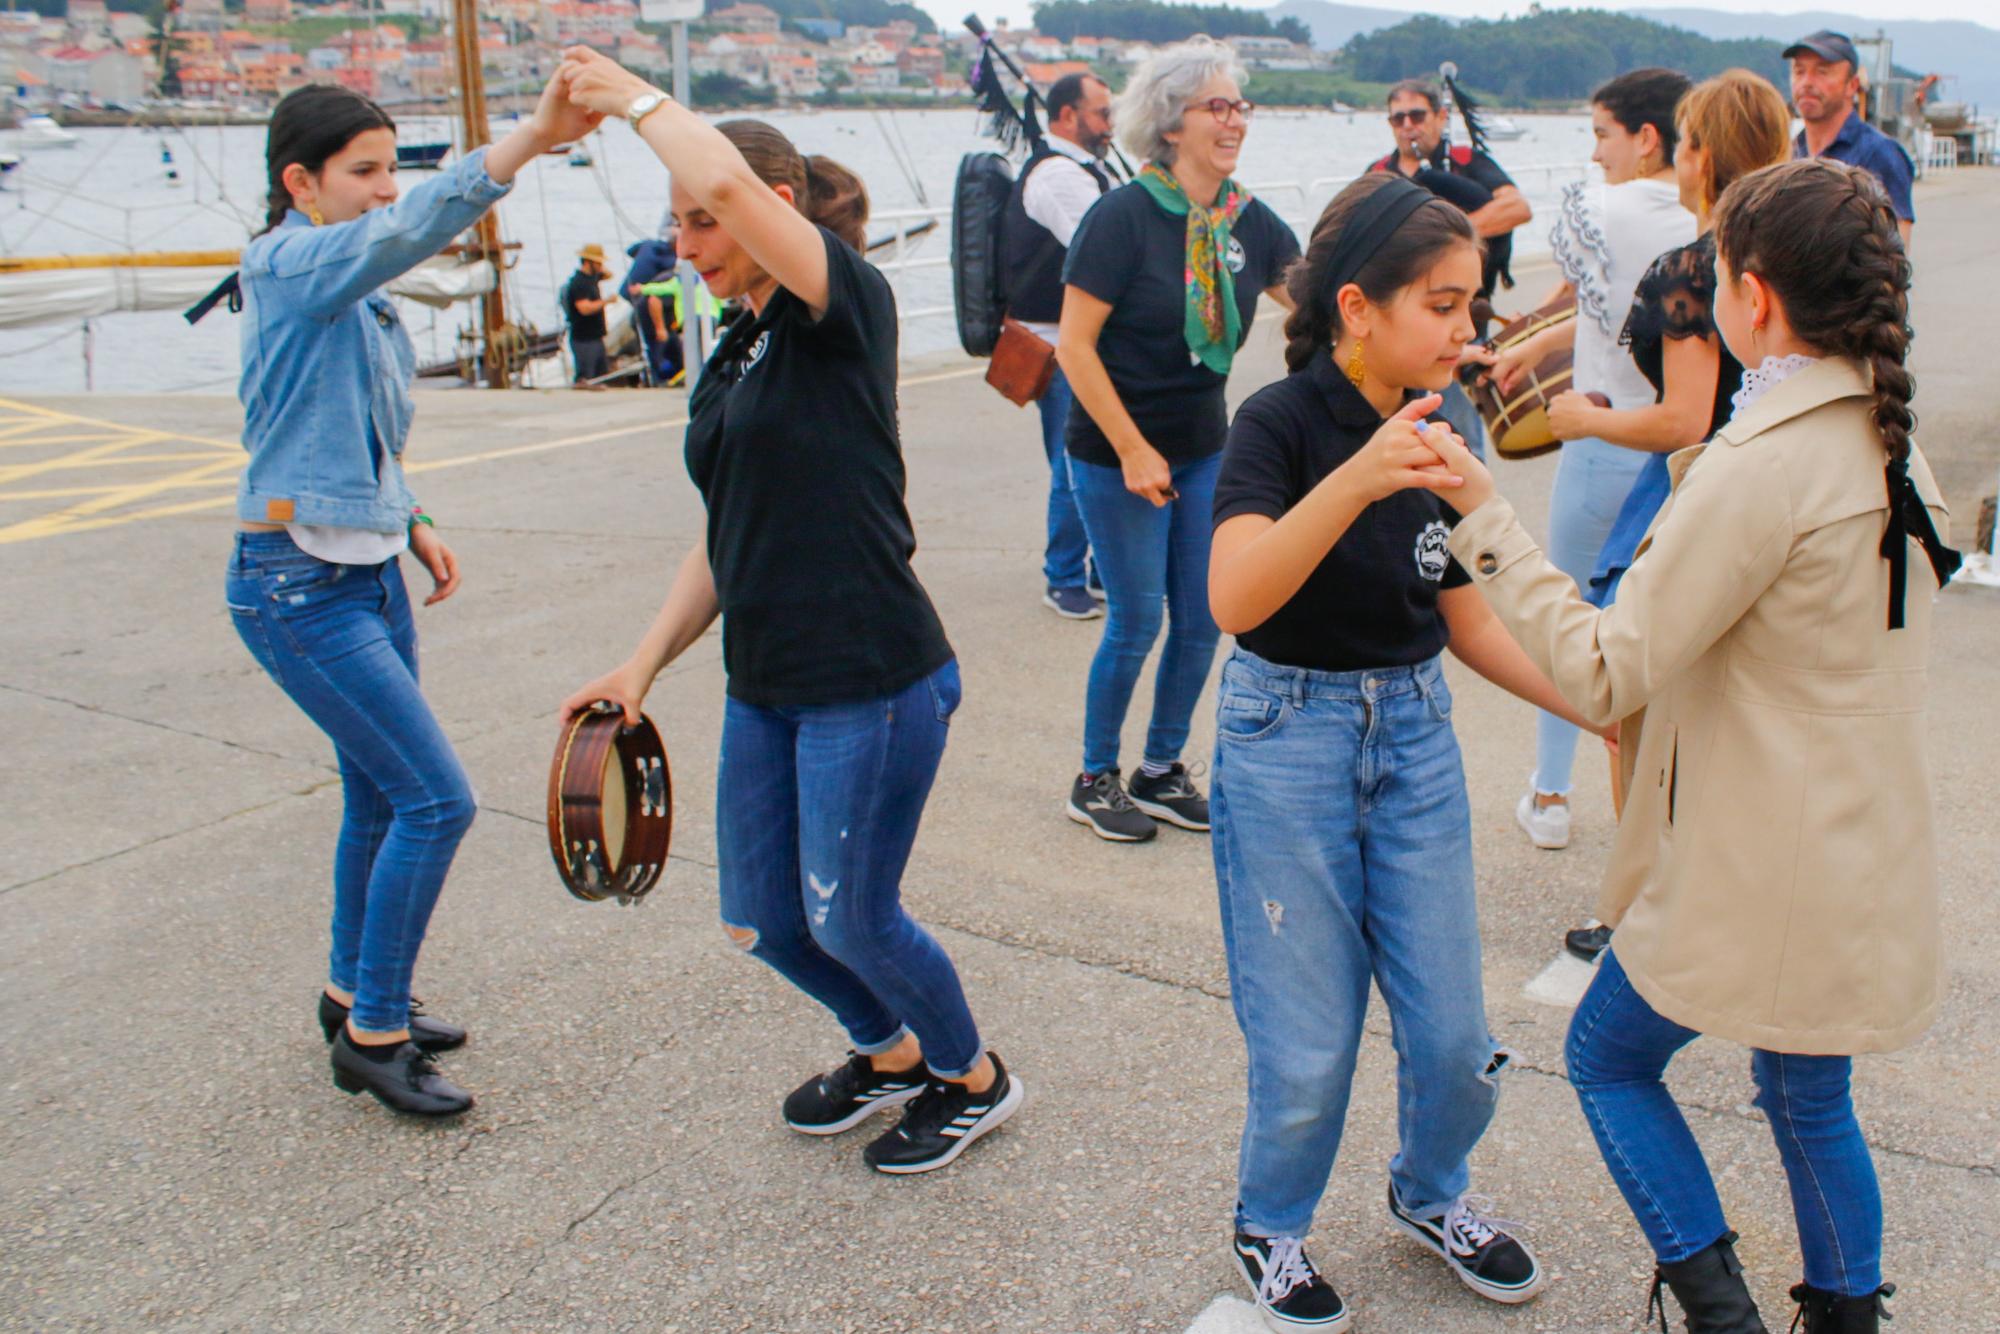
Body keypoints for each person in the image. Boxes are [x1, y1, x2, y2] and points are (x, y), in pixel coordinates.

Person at [1422, 157, 1954, 1334]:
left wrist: (1484, 515)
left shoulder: (1765, 461)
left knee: (1609, 1055)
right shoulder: (1884, 436)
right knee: (1807, 1093)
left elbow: (1606, 665)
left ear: (1752, 294)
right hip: (1858, 836)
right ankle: (1845, 1315)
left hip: (1754, 844)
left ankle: (1718, 1307)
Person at [556, 48, 1025, 1175]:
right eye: (676, 227)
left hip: (869, 677)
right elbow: (725, 533)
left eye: (700, 225)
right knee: (765, 918)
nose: (686, 243)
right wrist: (640, 665)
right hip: (766, 684)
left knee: (854, 916)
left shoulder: (839, 307)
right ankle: (888, 1046)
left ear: (767, 212)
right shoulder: (731, 352)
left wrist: (631, 100)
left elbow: (722, 186)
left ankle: (972, 1075)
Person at [1206, 172, 1598, 1332]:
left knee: (1452, 1033)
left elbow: (1463, 618)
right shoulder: (1275, 426)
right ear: (1354, 307)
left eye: (1469, 305)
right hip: (1285, 737)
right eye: (1441, 305)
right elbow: (1235, 593)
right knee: (1308, 1035)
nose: (1466, 332)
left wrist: (1596, 706)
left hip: (1411, 734)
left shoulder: (1452, 423)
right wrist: (1362, 472)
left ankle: (1430, 1192)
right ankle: (1270, 1223)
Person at [224, 76, 600, 1116]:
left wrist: (414, 519)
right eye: (363, 171)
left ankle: (352, 991)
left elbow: (351, 426)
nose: (386, 190)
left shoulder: (348, 278)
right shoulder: (292, 261)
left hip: (364, 566)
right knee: (439, 799)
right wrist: (527, 140)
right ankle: (376, 1033)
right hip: (294, 585)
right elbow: (415, 227)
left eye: (393, 165)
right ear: (299, 183)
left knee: (380, 795)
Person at [1524, 68, 1790, 960]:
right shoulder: (1797, 250)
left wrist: (1586, 419)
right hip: (1785, 491)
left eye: (1681, 144)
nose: (1674, 162)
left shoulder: (1696, 265)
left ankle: (1640, 901)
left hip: (1689, 492)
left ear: (1702, 154)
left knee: (1633, 699)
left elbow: (1684, 418)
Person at [1056, 36, 1298, 843]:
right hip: (1113, 447)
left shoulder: (1247, 220)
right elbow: (1074, 347)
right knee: (1134, 619)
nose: (1235, 122)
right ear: (1170, 124)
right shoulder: (1121, 218)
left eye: (1240, 106)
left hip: (1202, 446)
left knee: (1203, 618)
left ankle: (1159, 769)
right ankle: (1094, 776)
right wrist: (1129, 448)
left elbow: (1322, 304)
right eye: (1217, 107)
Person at [1476, 69, 1695, 853]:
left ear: (1645, 137)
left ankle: (1552, 789)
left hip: (1602, 440)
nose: (1595, 152)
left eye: (1602, 133)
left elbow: (1591, 301)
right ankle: (1660, 807)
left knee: (1567, 628)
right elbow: (1615, 315)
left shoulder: (1606, 207)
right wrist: (1536, 342)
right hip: (1677, 453)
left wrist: (1525, 354)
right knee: (1661, 642)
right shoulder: (1705, 220)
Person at [1001, 70, 1115, 621]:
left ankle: (1093, 570)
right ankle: (1065, 575)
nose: (1110, 123)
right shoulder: (1057, 175)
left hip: (1076, 339)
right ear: (1067, 115)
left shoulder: (1082, 169)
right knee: (1075, 463)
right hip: (1057, 344)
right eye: (1101, 112)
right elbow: (1102, 249)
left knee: (1095, 455)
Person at [1370, 77, 1533, 456]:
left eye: (1416, 115)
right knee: (1390, 415)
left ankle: (1468, 506)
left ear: (1441, 116)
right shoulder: (1379, 172)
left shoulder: (1466, 162)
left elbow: (1516, 208)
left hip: (1462, 315)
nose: (1408, 125)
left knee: (1456, 423)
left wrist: (1446, 241)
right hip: (1399, 317)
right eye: (1398, 119)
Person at [1786, 29, 1914, 245]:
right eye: (1799, 72)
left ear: (1852, 85)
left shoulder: (1880, 154)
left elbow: (1894, 252)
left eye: (1822, 72)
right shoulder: (1790, 152)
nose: (1807, 82)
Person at [624, 224, 684, 385]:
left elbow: (629, 251)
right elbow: (654, 299)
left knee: (663, 343)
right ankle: (658, 380)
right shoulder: (670, 265)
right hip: (647, 304)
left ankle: (669, 374)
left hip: (630, 292)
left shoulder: (648, 245)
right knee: (658, 343)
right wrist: (660, 327)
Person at [563, 242, 614, 384]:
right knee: (586, 376)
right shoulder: (579, 283)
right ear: (588, 262)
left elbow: (609, 275)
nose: (600, 266)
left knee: (601, 375)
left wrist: (600, 269)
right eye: (597, 263)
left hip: (596, 336)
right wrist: (606, 301)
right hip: (584, 339)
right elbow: (584, 308)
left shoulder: (592, 279)